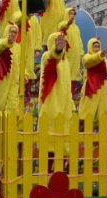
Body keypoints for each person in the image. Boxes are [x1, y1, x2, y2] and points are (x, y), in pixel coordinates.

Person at [38, 32, 75, 172]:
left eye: (62, 42)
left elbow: (67, 85)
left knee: (63, 144)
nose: (61, 43)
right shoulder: (46, 56)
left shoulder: (66, 62)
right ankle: (45, 175)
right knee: (50, 144)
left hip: (65, 108)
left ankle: (60, 176)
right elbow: (52, 57)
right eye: (57, 41)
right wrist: (57, 50)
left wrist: (71, 103)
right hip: (51, 106)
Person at [78, 37, 107, 124]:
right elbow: (88, 62)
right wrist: (99, 56)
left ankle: (102, 127)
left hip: (103, 86)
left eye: (98, 46)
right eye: (95, 46)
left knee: (104, 109)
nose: (97, 48)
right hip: (91, 86)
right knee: (88, 109)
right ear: (90, 47)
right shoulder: (87, 56)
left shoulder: (104, 60)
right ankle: (86, 126)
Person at [0, 23, 22, 113]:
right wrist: (8, 42)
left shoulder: (18, 47)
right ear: (7, 32)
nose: (13, 34)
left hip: (14, 81)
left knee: (13, 105)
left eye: (15, 32)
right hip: (0, 78)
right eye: (11, 31)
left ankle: (9, 126)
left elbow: (20, 63)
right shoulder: (1, 42)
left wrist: (24, 74)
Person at [58, 7, 84, 97]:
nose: (72, 16)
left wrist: (81, 53)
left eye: (73, 14)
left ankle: (71, 98)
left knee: (73, 76)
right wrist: (67, 24)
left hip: (75, 56)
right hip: (67, 54)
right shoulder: (62, 25)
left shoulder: (76, 28)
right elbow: (61, 28)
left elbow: (79, 42)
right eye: (70, 13)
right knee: (65, 76)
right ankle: (63, 97)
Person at [13, 11, 42, 81]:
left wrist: (37, 49)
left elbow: (38, 34)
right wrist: (27, 15)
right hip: (19, 47)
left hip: (30, 49)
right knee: (18, 67)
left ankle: (26, 88)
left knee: (29, 69)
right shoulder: (17, 13)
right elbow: (17, 20)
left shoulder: (35, 19)